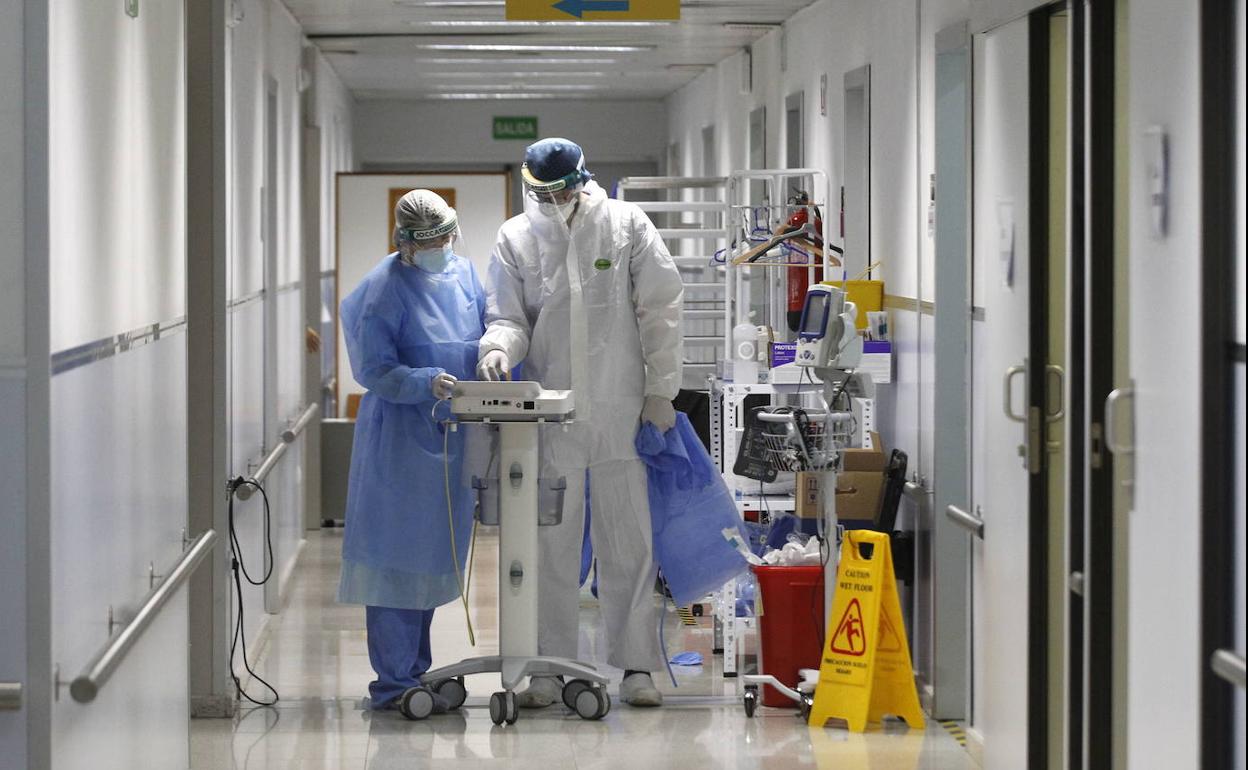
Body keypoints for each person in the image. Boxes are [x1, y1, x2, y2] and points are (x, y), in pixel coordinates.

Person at [477, 138, 683, 708]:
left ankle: (636, 666)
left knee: (629, 540)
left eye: (561, 190)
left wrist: (662, 389)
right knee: (550, 544)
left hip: (620, 406)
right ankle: (548, 666)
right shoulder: (516, 235)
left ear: (581, 179)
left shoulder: (625, 224)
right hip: (552, 411)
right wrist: (497, 347)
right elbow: (509, 315)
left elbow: (660, 309)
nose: (552, 201)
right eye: (541, 193)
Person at [337, 189, 486, 717]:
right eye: (434, 240)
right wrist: (425, 382)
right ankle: (394, 681)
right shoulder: (379, 292)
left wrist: (494, 356)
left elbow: (487, 330)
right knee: (395, 562)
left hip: (450, 440)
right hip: (399, 443)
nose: (444, 246)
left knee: (428, 558)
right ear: (406, 242)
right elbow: (373, 369)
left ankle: (415, 672)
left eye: (448, 236)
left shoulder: (465, 276)